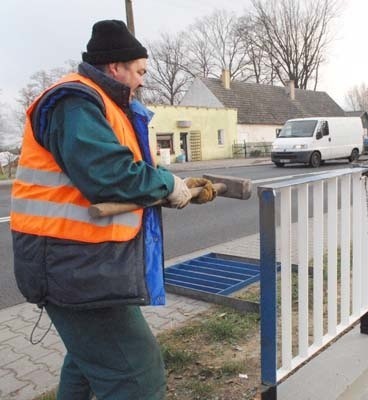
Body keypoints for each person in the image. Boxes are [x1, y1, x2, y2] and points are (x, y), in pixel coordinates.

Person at [10, 19, 216, 400]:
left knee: (88, 366)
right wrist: (168, 186)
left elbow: (119, 172)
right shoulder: (75, 101)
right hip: (71, 268)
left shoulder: (98, 103)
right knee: (135, 374)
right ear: (114, 67)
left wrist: (167, 185)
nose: (141, 80)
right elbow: (109, 175)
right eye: (138, 71)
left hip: (79, 265)